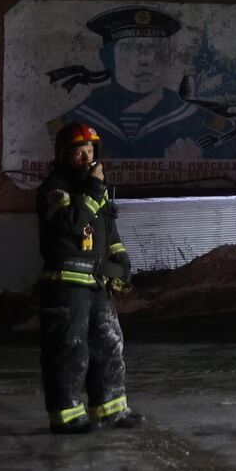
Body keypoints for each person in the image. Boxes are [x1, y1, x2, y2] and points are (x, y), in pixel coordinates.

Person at [36, 122, 143, 434]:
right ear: (64, 155)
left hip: (96, 283)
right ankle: (66, 416)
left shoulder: (95, 191)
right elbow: (70, 223)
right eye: (79, 152)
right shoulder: (55, 187)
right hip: (65, 284)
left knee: (109, 343)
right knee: (69, 348)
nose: (86, 158)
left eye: (90, 151)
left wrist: (121, 262)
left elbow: (108, 231)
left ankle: (110, 410)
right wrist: (94, 190)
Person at [46, 5, 236, 160]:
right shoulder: (72, 123)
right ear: (108, 58)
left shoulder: (207, 126)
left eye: (153, 49)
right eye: (129, 48)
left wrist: (199, 169)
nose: (144, 60)